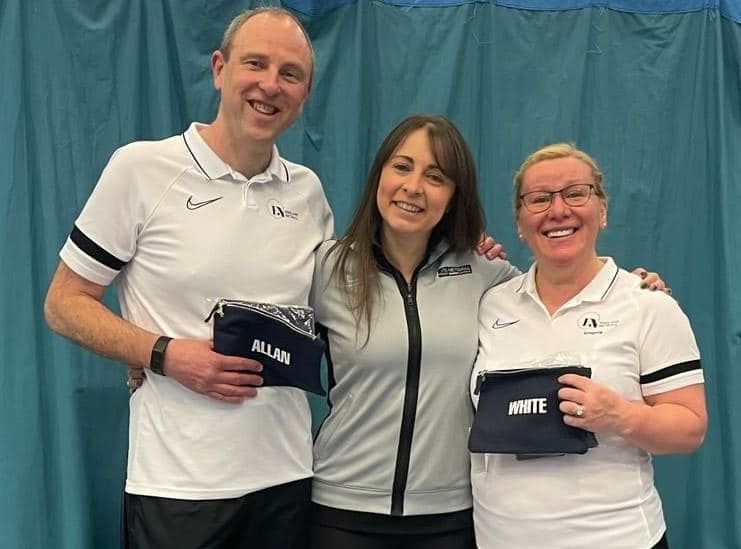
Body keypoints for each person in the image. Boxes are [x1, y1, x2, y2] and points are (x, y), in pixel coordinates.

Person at [44, 8, 332, 549]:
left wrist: (460, 250)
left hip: (287, 478)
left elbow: (328, 313)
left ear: (305, 93)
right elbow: (64, 302)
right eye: (256, 63)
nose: (271, 84)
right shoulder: (141, 169)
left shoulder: (308, 193)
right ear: (220, 68)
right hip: (177, 488)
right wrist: (163, 353)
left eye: (290, 73)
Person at [307, 117, 667, 549]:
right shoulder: (325, 269)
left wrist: (638, 290)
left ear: (453, 195)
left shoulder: (488, 276)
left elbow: (560, 293)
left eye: (435, 176)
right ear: (380, 174)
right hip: (341, 511)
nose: (414, 186)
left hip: (453, 515)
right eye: (402, 167)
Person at [470, 143, 707, 549]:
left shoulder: (648, 305)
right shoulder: (491, 301)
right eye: (539, 199)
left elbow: (690, 429)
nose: (558, 210)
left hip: (617, 538)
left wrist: (620, 415)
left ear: (602, 210)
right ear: (520, 220)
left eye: (576, 193)